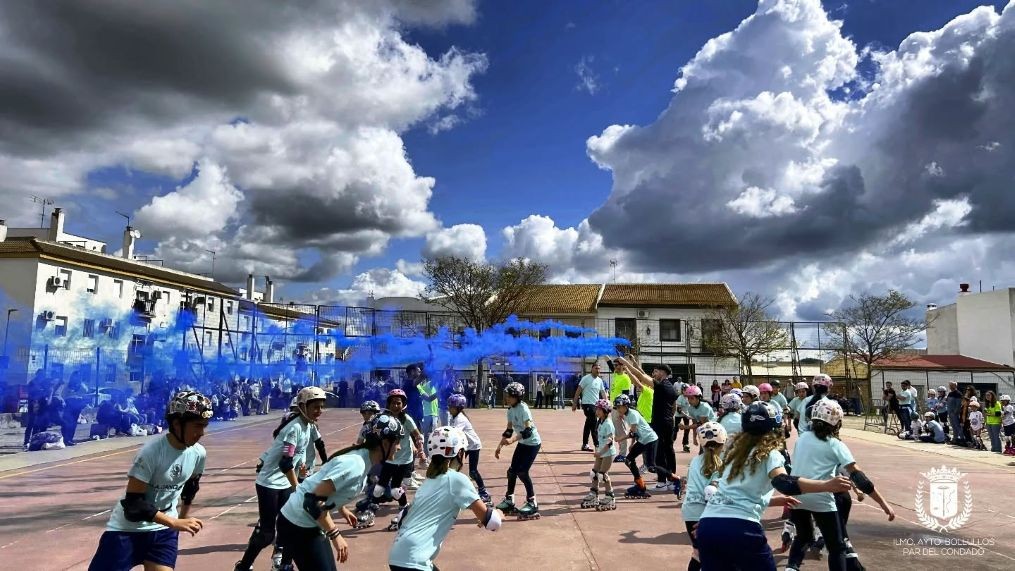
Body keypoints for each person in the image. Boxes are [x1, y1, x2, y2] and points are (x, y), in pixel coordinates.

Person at [695, 401, 852, 571]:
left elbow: (735, 494)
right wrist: (826, 485)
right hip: (742, 529)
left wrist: (710, 520)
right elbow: (783, 482)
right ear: (774, 429)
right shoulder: (770, 454)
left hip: (708, 526)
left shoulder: (734, 454)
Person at [88, 391, 212, 571]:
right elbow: (134, 504)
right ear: (177, 424)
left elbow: (191, 487)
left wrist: (183, 517)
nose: (202, 433)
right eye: (197, 426)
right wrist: (174, 523)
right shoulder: (152, 452)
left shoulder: (199, 453)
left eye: (205, 426)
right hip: (127, 530)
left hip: (163, 532)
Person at [276, 413, 404, 571]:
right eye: (397, 442)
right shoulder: (355, 464)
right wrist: (335, 535)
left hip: (309, 520)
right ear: (385, 443)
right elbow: (312, 501)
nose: (399, 447)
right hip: (297, 522)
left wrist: (342, 509)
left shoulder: (364, 461)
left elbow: (330, 488)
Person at [786, 400, 895, 571]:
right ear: (838, 423)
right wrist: (883, 503)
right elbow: (860, 478)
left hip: (798, 494)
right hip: (821, 498)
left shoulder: (802, 438)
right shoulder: (836, 445)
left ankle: (791, 568)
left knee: (803, 537)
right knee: (836, 547)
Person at [235, 387, 326, 571]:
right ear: (302, 406)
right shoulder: (294, 428)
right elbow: (286, 462)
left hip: (285, 481)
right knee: (267, 533)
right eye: (315, 407)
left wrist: (318, 465)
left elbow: (310, 449)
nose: (319, 411)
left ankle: (285, 564)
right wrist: (298, 487)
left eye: (321, 407)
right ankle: (244, 566)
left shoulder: (309, 426)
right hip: (269, 483)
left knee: (290, 524)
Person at [389, 426, 504, 570]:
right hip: (415, 559)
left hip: (398, 555)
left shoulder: (428, 481)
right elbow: (493, 522)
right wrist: (497, 514)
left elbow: (402, 517)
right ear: (460, 453)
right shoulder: (456, 479)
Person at [617, 356, 677, 490]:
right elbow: (674, 406)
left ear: (662, 373)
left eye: (657, 372)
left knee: (660, 453)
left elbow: (640, 375)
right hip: (668, 423)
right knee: (669, 451)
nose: (654, 374)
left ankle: (662, 483)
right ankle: (672, 481)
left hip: (659, 423)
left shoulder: (660, 385)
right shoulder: (671, 388)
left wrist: (626, 363)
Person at [680, 422, 727, 571]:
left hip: (689, 512)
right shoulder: (721, 465)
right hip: (706, 514)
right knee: (718, 554)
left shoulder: (694, 461)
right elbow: (710, 492)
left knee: (699, 553)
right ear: (723, 443)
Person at [494, 382, 541, 520]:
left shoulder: (523, 409)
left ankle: (532, 502)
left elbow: (528, 431)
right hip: (522, 443)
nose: (506, 398)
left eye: (509, 396)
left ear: (517, 397)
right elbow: (509, 430)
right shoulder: (510, 410)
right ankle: (509, 500)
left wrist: (513, 440)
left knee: (522, 472)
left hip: (532, 443)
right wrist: (499, 446)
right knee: (512, 471)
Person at [612, 394, 660, 499]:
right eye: (617, 408)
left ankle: (674, 478)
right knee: (629, 460)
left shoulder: (632, 414)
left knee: (651, 466)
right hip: (643, 440)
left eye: (619, 407)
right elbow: (634, 431)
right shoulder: (627, 415)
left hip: (650, 439)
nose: (618, 409)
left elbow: (632, 433)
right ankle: (640, 485)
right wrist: (632, 444)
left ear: (626, 406)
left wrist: (619, 439)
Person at [447, 393, 491, 505]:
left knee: (473, 471)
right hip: (465, 445)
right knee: (453, 468)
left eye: (451, 406)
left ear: (458, 408)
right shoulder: (454, 417)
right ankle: (452, 491)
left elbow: (454, 433)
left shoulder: (460, 419)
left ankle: (484, 493)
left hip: (473, 446)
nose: (449, 408)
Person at [581, 398, 618, 510]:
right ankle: (594, 494)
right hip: (601, 452)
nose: (597, 411)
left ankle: (610, 496)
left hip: (608, 453)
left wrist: (600, 452)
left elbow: (610, 442)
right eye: (597, 409)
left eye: (599, 409)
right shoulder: (600, 422)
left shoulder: (608, 424)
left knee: (602, 474)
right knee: (594, 473)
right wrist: (597, 451)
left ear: (605, 411)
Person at [573, 363, 608, 452]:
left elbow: (603, 392)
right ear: (592, 369)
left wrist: (607, 402)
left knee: (588, 424)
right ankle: (597, 444)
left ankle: (585, 444)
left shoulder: (599, 381)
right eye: (596, 368)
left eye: (599, 369)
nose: (598, 370)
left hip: (596, 405)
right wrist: (574, 403)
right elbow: (578, 391)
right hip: (587, 404)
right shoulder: (586, 378)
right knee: (594, 424)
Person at [610, 360, 632, 462]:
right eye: (615, 365)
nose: (615, 367)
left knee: (621, 430)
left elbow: (625, 396)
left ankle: (623, 454)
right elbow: (610, 365)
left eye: (618, 365)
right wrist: (607, 357)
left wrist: (622, 412)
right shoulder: (616, 374)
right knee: (617, 430)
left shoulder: (625, 378)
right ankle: (621, 452)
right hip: (613, 407)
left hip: (619, 408)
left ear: (623, 366)